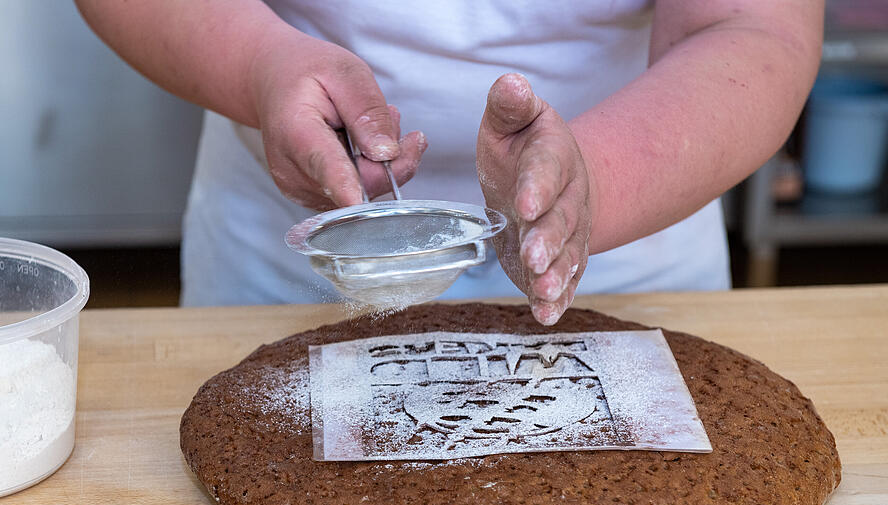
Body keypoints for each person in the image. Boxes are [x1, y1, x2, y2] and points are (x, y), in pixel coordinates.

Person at [75, 1, 823, 325]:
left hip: (625, 249)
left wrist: (593, 181)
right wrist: (258, 67)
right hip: (286, 263)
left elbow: (754, 25)